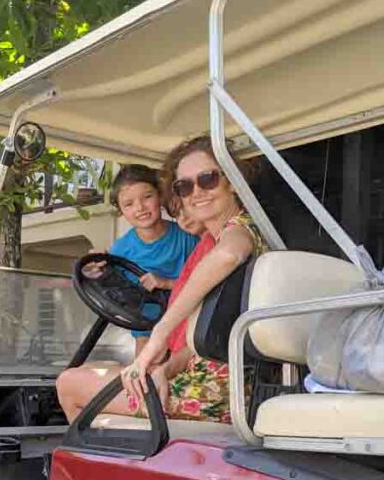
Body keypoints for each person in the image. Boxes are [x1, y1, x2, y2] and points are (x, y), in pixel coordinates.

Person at [57, 136, 265, 423]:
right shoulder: (213, 240)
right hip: (205, 378)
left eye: (208, 179)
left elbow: (230, 253)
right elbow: (201, 343)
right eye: (185, 186)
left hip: (218, 393)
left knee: (69, 384)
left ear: (231, 180)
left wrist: (160, 333)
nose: (197, 192)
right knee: (98, 374)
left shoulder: (240, 230)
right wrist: (163, 370)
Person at [90, 164, 199, 353]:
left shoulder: (187, 237)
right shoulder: (119, 250)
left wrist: (167, 283)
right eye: (129, 204)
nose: (140, 208)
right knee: (141, 370)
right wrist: (96, 271)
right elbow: (113, 291)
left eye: (147, 197)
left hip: (188, 327)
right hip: (146, 331)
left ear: (160, 196)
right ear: (121, 210)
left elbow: (207, 281)